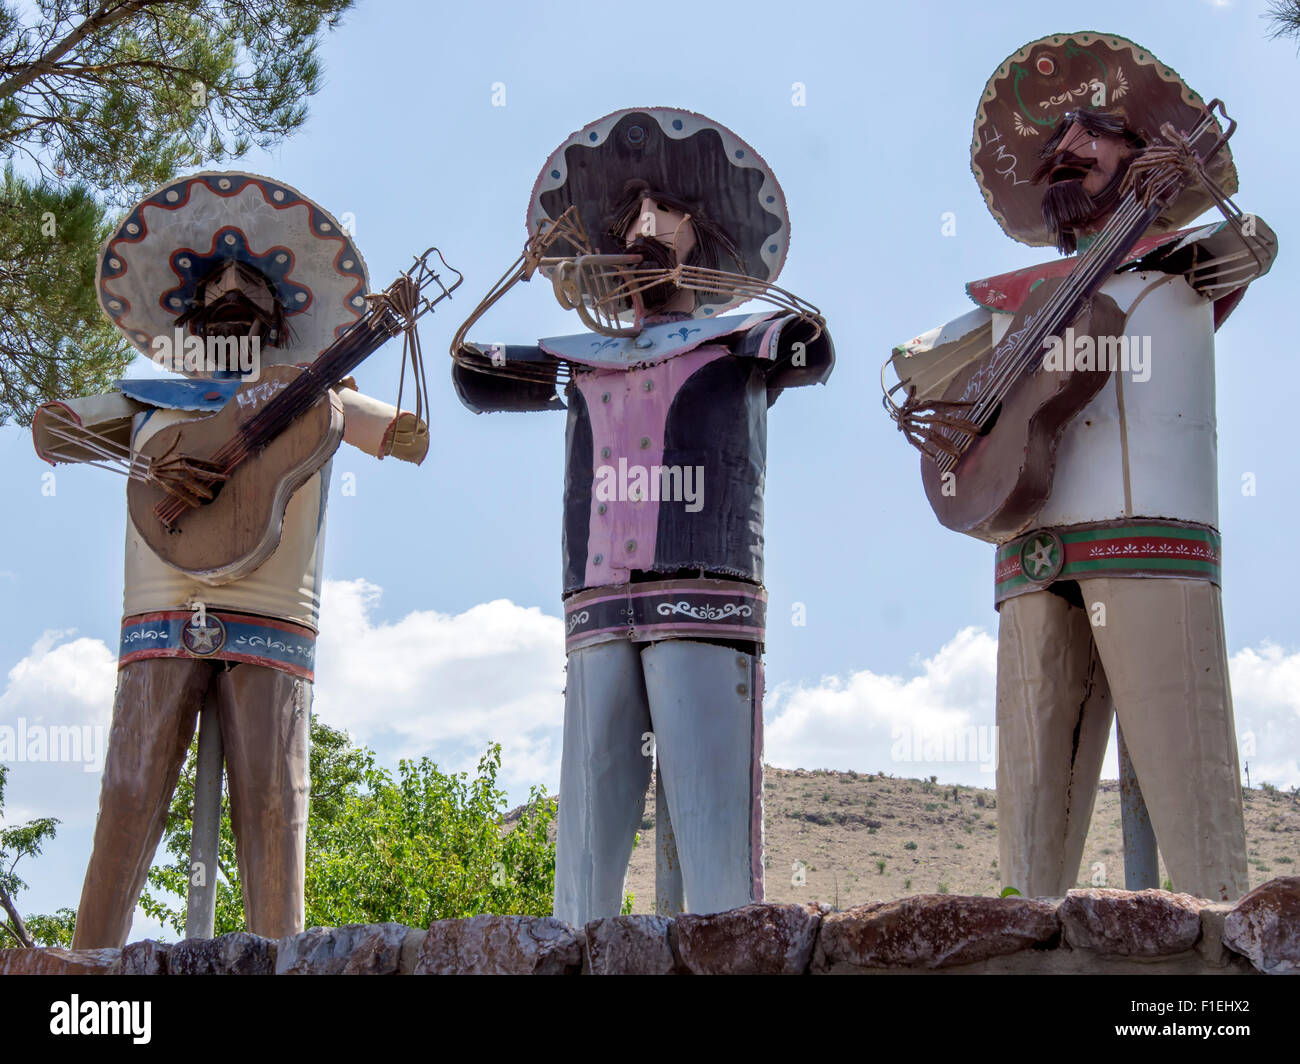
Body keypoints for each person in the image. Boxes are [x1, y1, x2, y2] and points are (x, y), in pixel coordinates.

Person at [885, 33, 1277, 901]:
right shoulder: (1010, 296)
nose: (1070, 146)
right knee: (1028, 812)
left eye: (1098, 130)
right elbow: (919, 364)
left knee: (1189, 783)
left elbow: (1250, 244)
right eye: (1059, 138)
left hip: (1150, 534)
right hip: (1026, 545)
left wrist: (1197, 184)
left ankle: (1227, 966)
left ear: (1144, 153)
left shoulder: (1179, 262)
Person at [451, 108, 834, 924]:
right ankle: (576, 950)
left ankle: (728, 944)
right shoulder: (578, 351)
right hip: (594, 598)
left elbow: (813, 345)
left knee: (711, 828)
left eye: (669, 217)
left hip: (704, 585)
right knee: (588, 827)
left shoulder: (743, 336)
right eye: (632, 219)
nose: (647, 228)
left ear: (707, 238)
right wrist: (526, 269)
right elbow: (470, 367)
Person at [32, 172, 430, 947]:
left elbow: (408, 436)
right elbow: (55, 430)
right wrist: (150, 467)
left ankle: (279, 957)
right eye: (216, 290)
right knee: (127, 790)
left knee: (276, 803)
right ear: (190, 308)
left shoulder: (319, 393)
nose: (232, 301)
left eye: (250, 292)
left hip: (276, 615)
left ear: (279, 314)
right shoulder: (150, 396)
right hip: (159, 606)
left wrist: (384, 360)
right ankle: (90, 964)